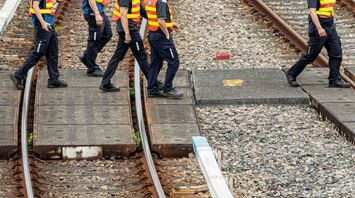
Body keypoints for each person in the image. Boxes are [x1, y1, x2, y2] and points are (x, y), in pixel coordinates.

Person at [286, 0, 350, 88]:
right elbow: (312, 12)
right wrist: (319, 28)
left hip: (330, 27)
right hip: (318, 27)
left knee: (336, 53)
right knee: (311, 55)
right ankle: (291, 74)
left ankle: (334, 80)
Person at [10, 0, 67, 89]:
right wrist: (43, 23)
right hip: (42, 25)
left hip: (50, 24)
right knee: (39, 52)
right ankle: (18, 75)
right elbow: (35, 6)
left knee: (53, 52)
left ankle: (53, 79)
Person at [100, 0, 150, 92]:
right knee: (141, 56)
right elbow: (123, 14)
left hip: (127, 28)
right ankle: (153, 83)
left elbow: (141, 10)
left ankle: (105, 83)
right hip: (128, 30)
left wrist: (156, 20)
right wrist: (127, 33)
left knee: (118, 56)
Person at [143, 0, 183, 98]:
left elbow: (153, 17)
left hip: (153, 35)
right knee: (174, 61)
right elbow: (160, 21)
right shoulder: (161, 2)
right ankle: (167, 89)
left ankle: (152, 89)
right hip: (161, 36)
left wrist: (170, 24)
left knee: (156, 63)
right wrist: (167, 34)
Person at [80, 0, 113, 77]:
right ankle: (92, 69)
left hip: (99, 11)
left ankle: (86, 56)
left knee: (107, 34)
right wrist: (97, 14)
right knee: (94, 41)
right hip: (92, 13)